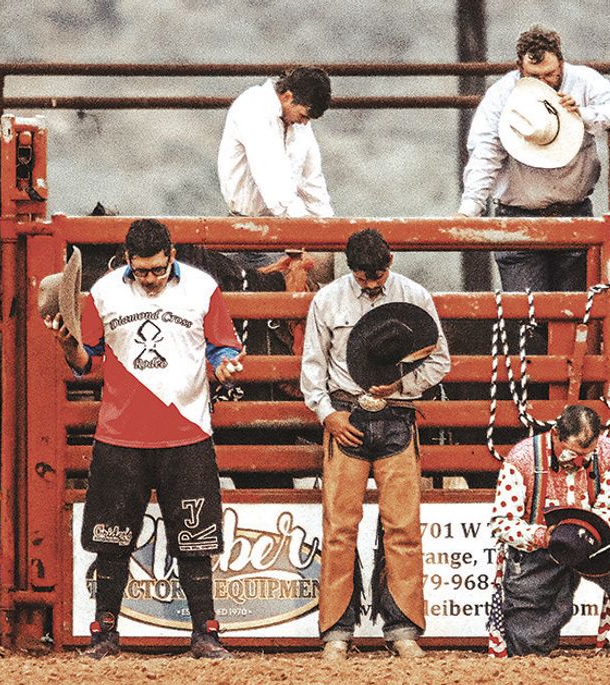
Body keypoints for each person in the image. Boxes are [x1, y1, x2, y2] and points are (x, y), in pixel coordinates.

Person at [43, 219, 243, 660]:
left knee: (195, 540)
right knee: (110, 540)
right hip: (120, 435)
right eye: (141, 271)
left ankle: (206, 634)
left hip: (187, 431)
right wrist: (66, 344)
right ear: (128, 260)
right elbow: (85, 360)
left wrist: (225, 365)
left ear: (171, 255)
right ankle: (104, 635)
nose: (149, 279)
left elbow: (222, 346)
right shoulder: (104, 292)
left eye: (157, 269)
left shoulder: (203, 288)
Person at [300, 228, 451, 660]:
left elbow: (440, 361)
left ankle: (397, 628)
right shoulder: (328, 300)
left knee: (401, 525)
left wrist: (401, 385)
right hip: (348, 415)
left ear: (389, 264)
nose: (370, 283)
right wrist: (328, 414)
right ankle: (340, 630)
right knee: (341, 528)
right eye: (363, 276)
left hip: (394, 412)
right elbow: (313, 367)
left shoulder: (413, 295)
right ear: (352, 269)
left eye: (377, 275)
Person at [457, 24, 610, 293]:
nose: (543, 82)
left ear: (561, 63)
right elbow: (486, 151)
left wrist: (583, 115)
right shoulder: (502, 95)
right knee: (530, 313)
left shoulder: (583, 81)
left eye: (550, 74)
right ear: (520, 68)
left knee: (573, 312)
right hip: (519, 216)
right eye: (534, 76)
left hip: (572, 212)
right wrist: (471, 206)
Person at [488, 404, 610, 657]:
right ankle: (528, 648)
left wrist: (588, 532)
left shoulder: (608, 451)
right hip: (539, 549)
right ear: (555, 434)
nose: (579, 461)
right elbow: (502, 522)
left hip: (589, 540)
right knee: (527, 645)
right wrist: (542, 536)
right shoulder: (522, 458)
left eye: (587, 455)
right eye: (571, 453)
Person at [218, 66, 333, 269]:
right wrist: (308, 227)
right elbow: (272, 180)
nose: (304, 123)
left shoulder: (299, 122)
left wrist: (328, 228)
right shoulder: (253, 107)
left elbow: (311, 181)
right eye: (304, 116)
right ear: (287, 97)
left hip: (283, 229)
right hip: (247, 230)